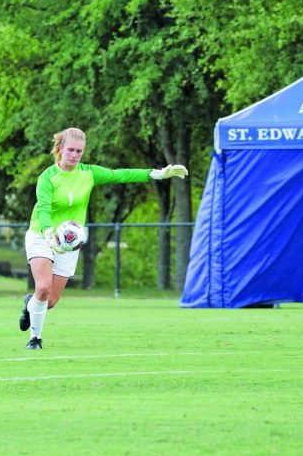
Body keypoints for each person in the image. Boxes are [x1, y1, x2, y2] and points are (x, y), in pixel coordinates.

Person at [19, 127, 188, 349]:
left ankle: (29, 305)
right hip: (42, 235)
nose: (75, 155)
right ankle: (35, 339)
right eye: (70, 150)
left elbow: (121, 174)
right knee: (42, 288)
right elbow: (42, 209)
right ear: (60, 148)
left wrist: (157, 174)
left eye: (79, 151)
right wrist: (49, 233)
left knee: (49, 302)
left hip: (69, 244)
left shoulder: (89, 173)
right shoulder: (48, 177)